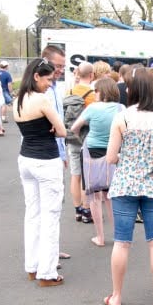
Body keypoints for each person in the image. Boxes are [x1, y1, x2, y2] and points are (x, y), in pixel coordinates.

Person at [104, 67, 153, 305]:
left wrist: (127, 160)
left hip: (125, 185)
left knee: (121, 243)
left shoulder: (122, 117)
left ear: (132, 90)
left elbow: (110, 157)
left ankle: (116, 297)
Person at [13, 58, 67, 286]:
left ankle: (33, 266)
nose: (50, 84)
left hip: (25, 159)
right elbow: (62, 131)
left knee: (32, 214)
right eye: (48, 79)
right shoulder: (42, 100)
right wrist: (54, 129)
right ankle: (47, 272)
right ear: (37, 76)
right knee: (51, 216)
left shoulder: (18, 99)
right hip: (46, 161)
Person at [71, 77, 125, 247]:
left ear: (102, 91)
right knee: (111, 194)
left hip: (91, 152)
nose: (94, 93)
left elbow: (74, 128)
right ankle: (118, 236)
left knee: (94, 195)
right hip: (114, 151)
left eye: (96, 90)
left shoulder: (92, 108)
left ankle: (100, 237)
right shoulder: (120, 108)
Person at [41, 45, 70, 260]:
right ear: (45, 61)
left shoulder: (54, 87)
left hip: (55, 153)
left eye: (62, 66)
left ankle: (51, 249)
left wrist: (63, 154)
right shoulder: (40, 90)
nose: (60, 69)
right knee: (48, 208)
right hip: (44, 155)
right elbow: (53, 127)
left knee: (53, 207)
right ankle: (47, 257)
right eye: (57, 65)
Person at [67, 61, 95, 223]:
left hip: (71, 136)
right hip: (87, 137)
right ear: (91, 75)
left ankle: (77, 209)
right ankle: (86, 210)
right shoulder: (92, 94)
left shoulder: (69, 91)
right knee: (87, 176)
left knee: (75, 174)